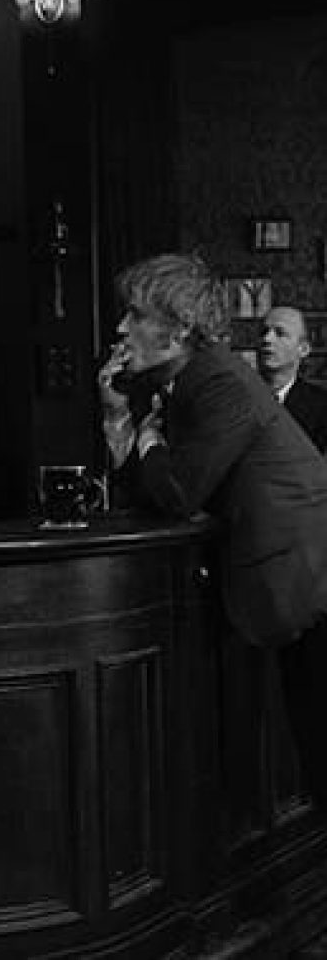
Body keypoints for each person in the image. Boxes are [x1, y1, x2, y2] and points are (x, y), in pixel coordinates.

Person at [97, 252, 327, 812]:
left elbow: (178, 493)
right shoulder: (180, 383)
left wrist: (148, 442)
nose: (122, 328)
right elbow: (145, 492)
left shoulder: (218, 381)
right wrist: (119, 418)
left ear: (176, 332)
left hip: (306, 580)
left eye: (135, 315)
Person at [258, 305, 327, 452]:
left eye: (280, 333)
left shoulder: (321, 407)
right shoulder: (237, 398)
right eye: (264, 332)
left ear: (303, 349)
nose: (267, 339)